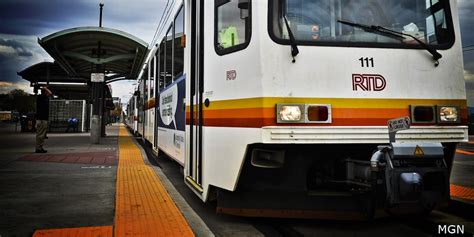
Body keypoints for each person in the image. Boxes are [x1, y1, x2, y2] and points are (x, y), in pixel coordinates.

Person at [35, 86, 52, 153]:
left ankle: (39, 147)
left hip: (41, 119)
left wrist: (44, 89)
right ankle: (39, 148)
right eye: (46, 92)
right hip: (42, 119)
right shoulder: (42, 97)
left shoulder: (41, 98)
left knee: (40, 134)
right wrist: (45, 88)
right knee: (41, 135)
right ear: (45, 92)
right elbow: (50, 93)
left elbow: (50, 94)